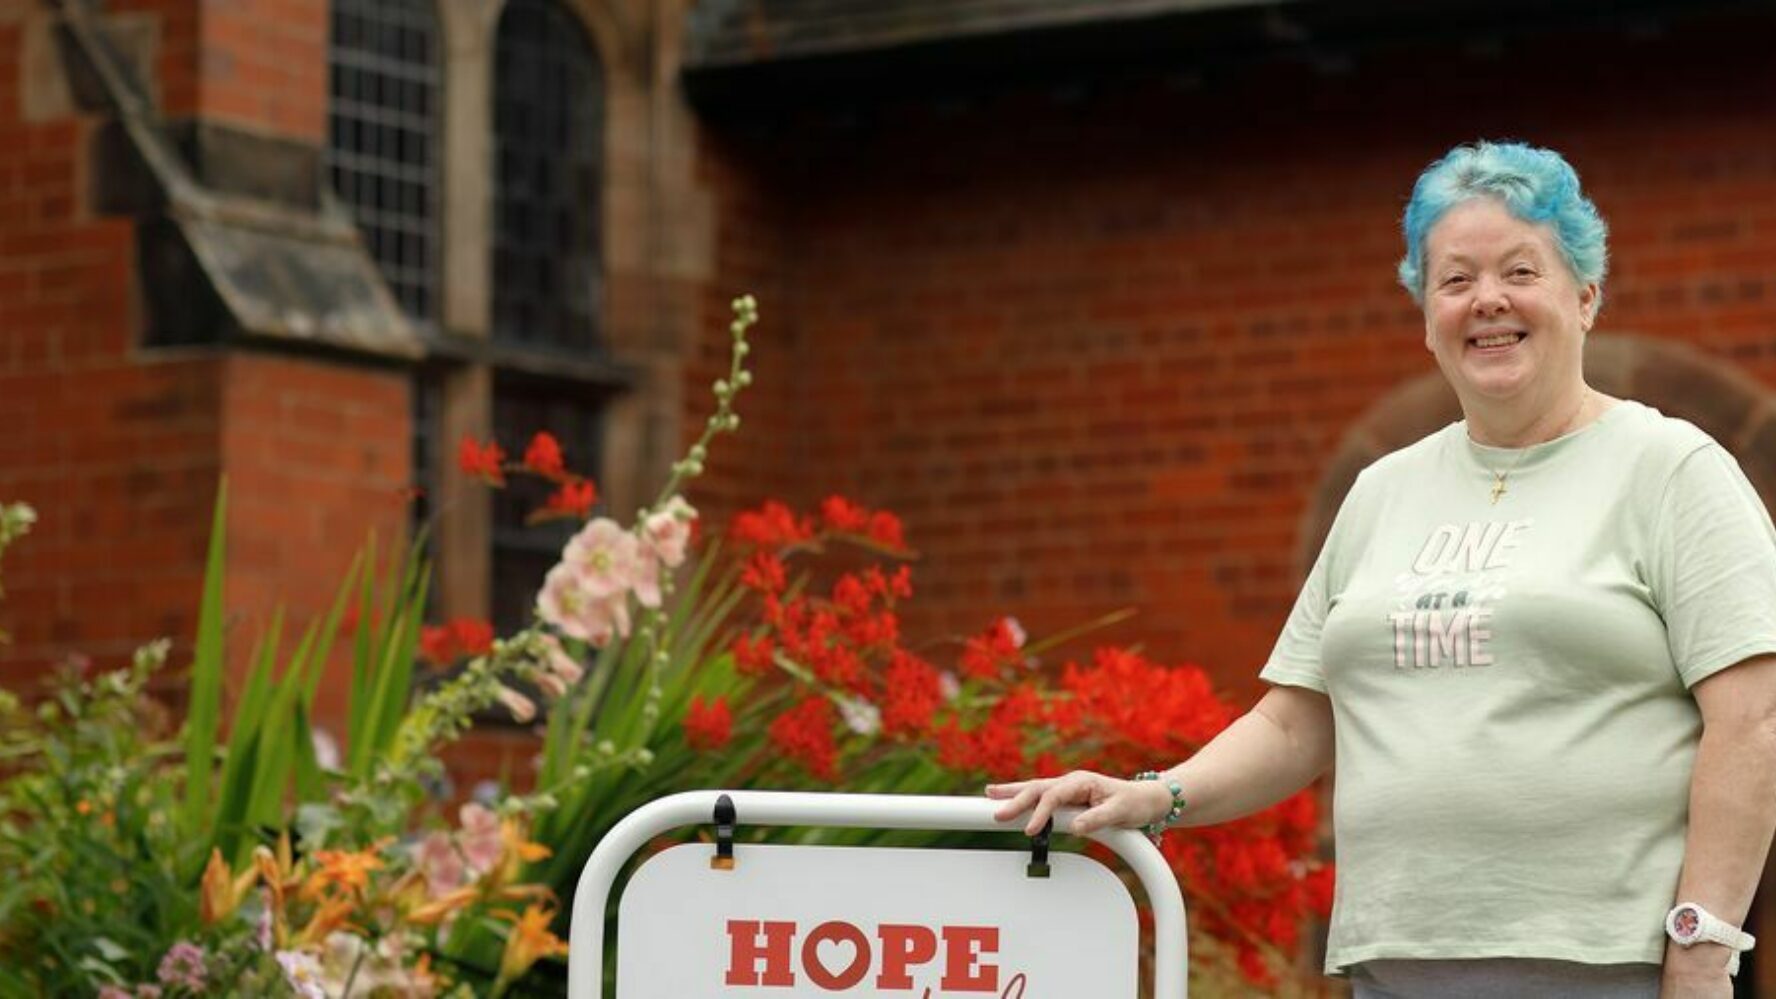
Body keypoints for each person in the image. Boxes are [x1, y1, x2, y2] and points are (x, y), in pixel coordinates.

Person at [987, 140, 1776, 999]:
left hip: (1602, 968)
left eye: (1521, 270)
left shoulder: (1670, 470)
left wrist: (1703, 948)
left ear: (1585, 295)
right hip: (1394, 969)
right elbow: (1297, 720)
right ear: (1426, 314)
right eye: (1455, 279)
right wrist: (1153, 795)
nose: (1488, 301)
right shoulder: (1383, 492)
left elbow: (1755, 722)